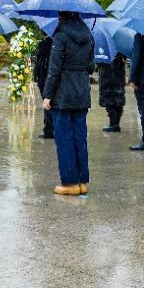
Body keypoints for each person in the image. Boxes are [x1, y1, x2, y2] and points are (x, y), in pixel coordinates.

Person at [43, 11, 95, 195]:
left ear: (62, 16)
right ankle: (82, 182)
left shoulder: (61, 35)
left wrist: (47, 95)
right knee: (80, 138)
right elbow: (91, 67)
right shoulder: (88, 35)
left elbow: (54, 68)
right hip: (82, 93)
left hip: (63, 94)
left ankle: (70, 183)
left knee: (64, 138)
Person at [98, 51, 127, 132]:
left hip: (108, 75)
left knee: (110, 100)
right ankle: (116, 124)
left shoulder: (104, 46)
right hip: (119, 75)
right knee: (118, 99)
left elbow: (99, 61)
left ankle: (113, 125)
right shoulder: (121, 47)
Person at [33, 28, 54, 139]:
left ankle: (49, 130)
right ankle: (54, 129)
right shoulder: (57, 43)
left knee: (47, 104)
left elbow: (39, 62)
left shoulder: (43, 44)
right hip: (55, 77)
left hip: (44, 78)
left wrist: (35, 75)